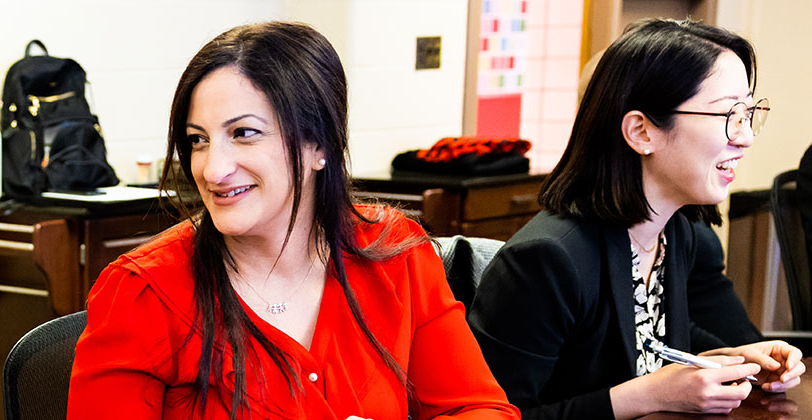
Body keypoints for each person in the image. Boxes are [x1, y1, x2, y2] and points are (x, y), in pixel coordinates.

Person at [68, 22, 519, 419]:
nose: (211, 169)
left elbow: (477, 407)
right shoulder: (144, 293)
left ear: (318, 145)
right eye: (198, 140)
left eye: (243, 134)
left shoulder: (395, 253)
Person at [468, 19, 804, 420]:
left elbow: (643, 345)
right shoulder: (546, 258)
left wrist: (729, 359)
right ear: (641, 132)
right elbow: (489, 416)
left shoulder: (674, 231)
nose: (746, 136)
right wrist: (646, 396)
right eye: (728, 114)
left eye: (749, 112)